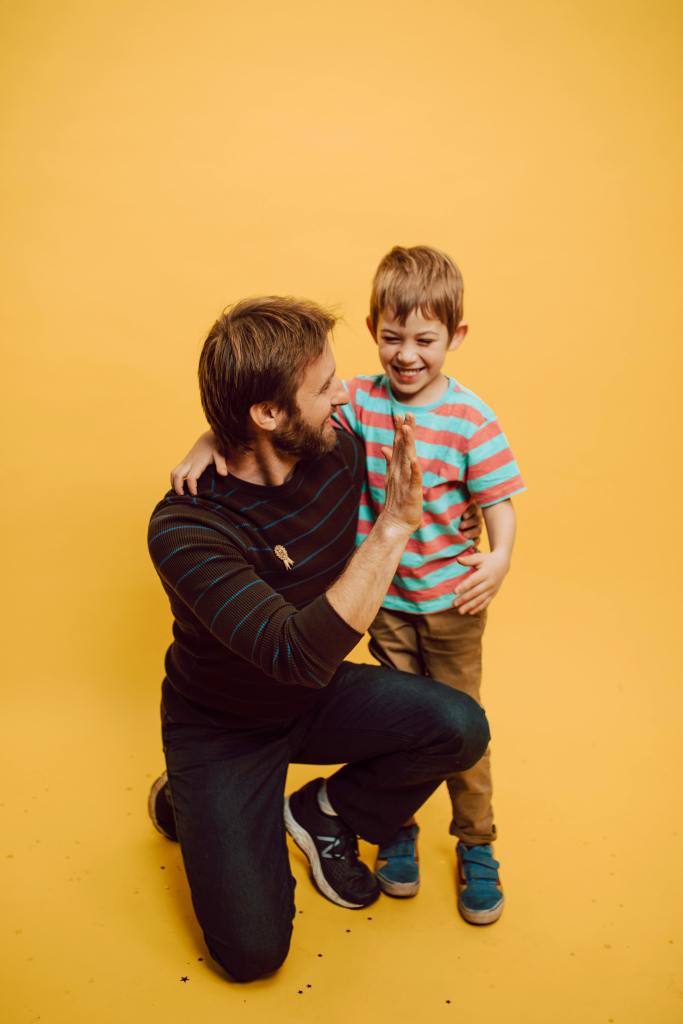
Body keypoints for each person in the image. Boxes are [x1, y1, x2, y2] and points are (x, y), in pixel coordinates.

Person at [174, 247, 525, 926]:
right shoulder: (193, 522)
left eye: (424, 340)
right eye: (391, 338)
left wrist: (500, 557)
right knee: (252, 945)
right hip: (301, 666)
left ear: (454, 338)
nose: (402, 357)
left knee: (459, 724)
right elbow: (246, 415)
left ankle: (457, 840)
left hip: (426, 620)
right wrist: (205, 443)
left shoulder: (413, 432)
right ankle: (374, 827)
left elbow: (499, 495)